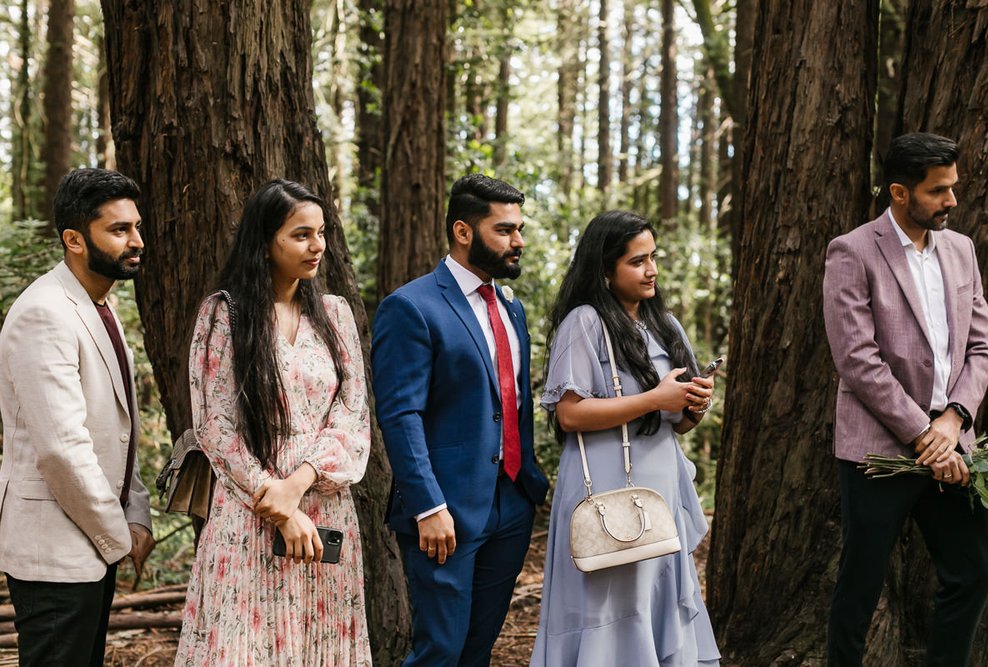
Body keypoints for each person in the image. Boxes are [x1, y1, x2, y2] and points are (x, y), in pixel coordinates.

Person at [174, 180, 372, 666]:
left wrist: (297, 487)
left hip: (323, 504)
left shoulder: (335, 314)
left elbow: (352, 415)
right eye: (301, 234)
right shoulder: (225, 314)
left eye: (320, 233)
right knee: (244, 646)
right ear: (265, 242)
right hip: (249, 510)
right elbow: (215, 427)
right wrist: (278, 503)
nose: (317, 246)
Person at [823, 132, 988, 666]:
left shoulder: (962, 250)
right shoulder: (852, 251)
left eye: (953, 188)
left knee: (972, 574)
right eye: (939, 190)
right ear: (900, 192)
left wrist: (953, 420)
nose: (952, 201)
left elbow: (982, 345)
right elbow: (856, 358)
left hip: (951, 443)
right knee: (861, 585)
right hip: (879, 451)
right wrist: (924, 435)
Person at [372, 174, 550, 666]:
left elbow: (513, 403)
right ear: (463, 231)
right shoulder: (411, 306)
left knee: (477, 648)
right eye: (505, 230)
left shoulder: (512, 309)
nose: (518, 242)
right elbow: (400, 414)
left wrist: (526, 488)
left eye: (519, 230)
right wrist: (428, 506)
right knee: (440, 651)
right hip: (445, 514)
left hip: (511, 505)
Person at [530, 210, 720, 666]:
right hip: (605, 488)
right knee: (609, 603)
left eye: (653, 257)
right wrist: (656, 397)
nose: (651, 269)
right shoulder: (585, 322)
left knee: (655, 600)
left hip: (661, 486)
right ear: (605, 269)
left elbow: (675, 422)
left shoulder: (666, 325)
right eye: (637, 261)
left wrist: (694, 403)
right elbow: (570, 413)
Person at [0, 168, 154, 667]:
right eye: (118, 230)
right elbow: (62, 450)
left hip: (90, 543)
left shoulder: (97, 306)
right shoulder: (44, 313)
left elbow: (120, 429)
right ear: (74, 240)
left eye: (136, 226)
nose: (137, 241)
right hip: (55, 554)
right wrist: (118, 535)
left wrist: (137, 513)